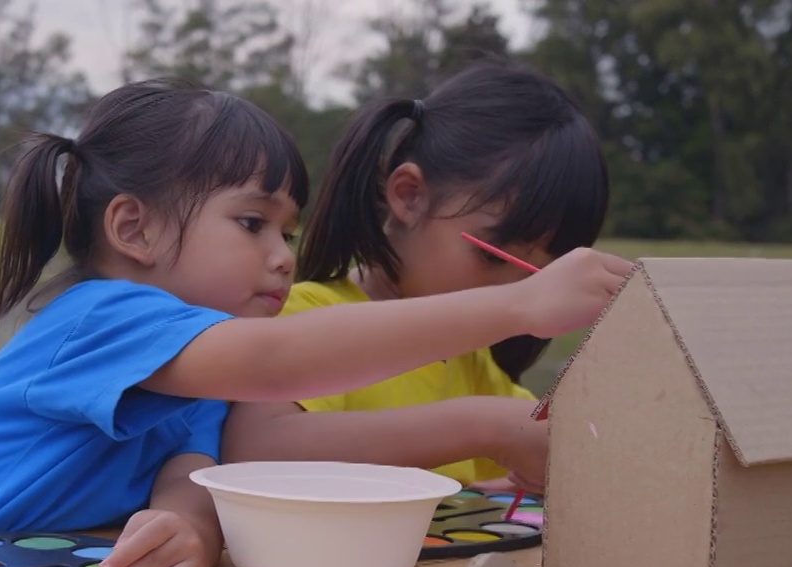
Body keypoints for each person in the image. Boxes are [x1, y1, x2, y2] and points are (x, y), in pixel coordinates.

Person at [0, 77, 632, 567]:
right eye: (252, 224)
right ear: (132, 229)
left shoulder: (193, 377)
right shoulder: (101, 320)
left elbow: (193, 470)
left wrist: (186, 528)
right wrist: (517, 304)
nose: (282, 256)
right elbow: (280, 362)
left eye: (287, 230)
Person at [223, 60, 610, 495]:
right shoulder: (307, 314)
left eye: (539, 278)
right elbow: (254, 451)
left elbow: (551, 437)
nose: (519, 293)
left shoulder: (468, 359)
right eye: (494, 257)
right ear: (409, 196)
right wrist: (482, 426)